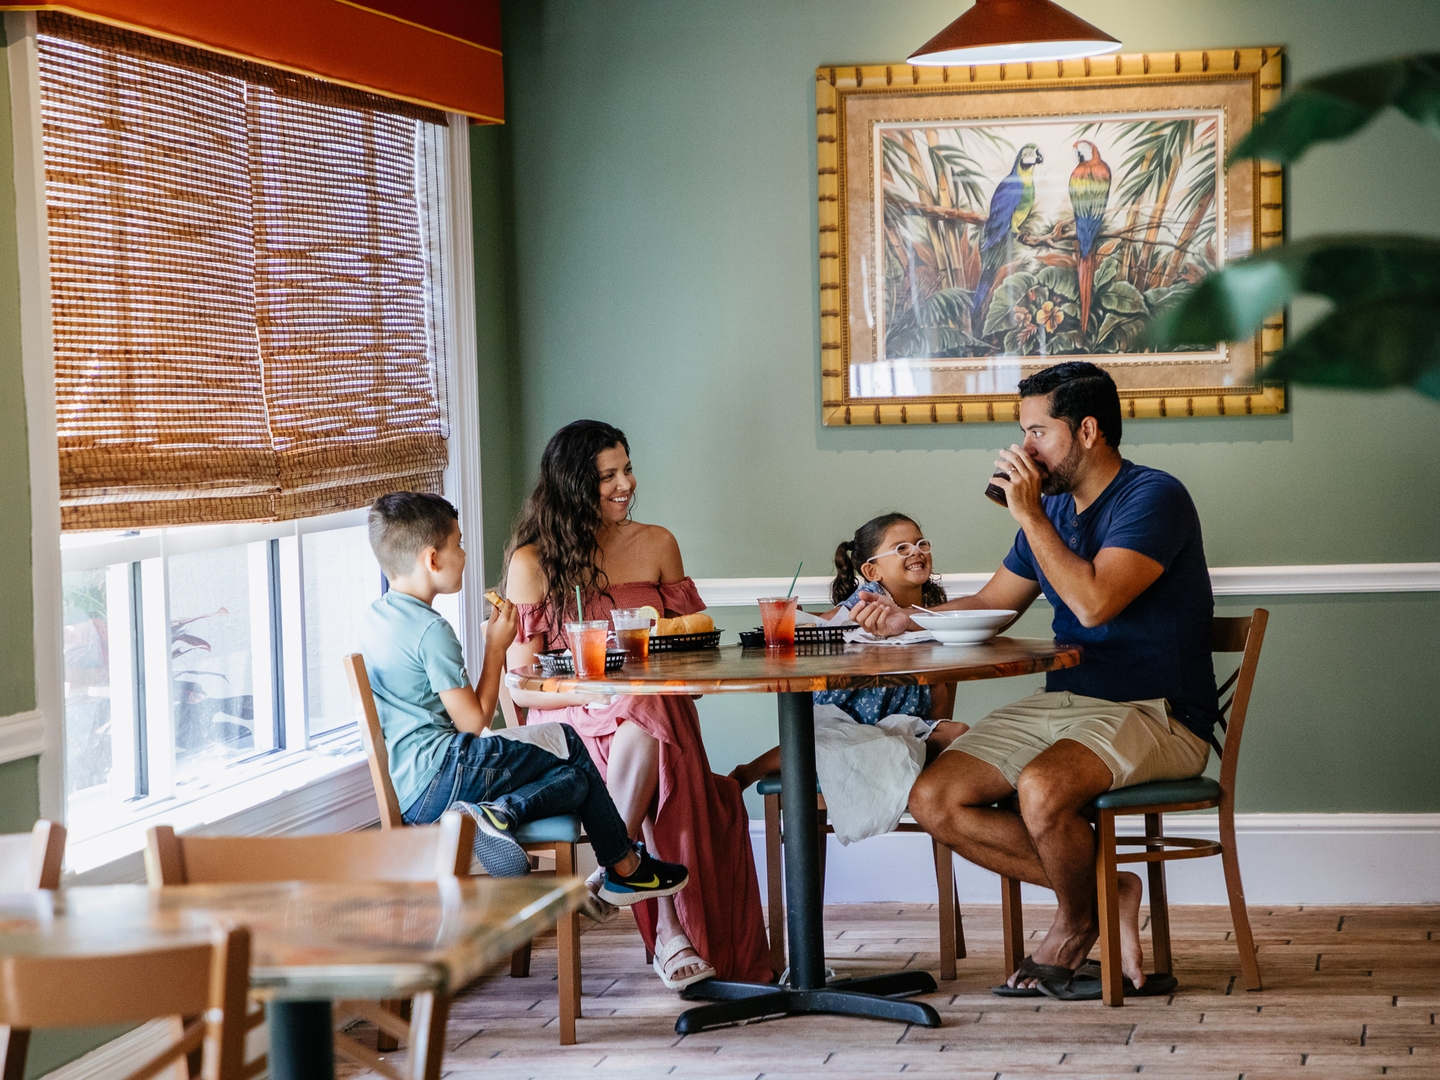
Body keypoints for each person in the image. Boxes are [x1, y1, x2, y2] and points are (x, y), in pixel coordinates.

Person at [853, 362, 1217, 1000]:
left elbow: (1094, 604)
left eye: (1037, 432)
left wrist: (1030, 516)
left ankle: (1074, 927)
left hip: (1159, 711)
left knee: (1042, 787)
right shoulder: (1049, 509)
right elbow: (994, 601)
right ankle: (1109, 889)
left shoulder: (1154, 497)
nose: (1024, 448)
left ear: (1088, 431)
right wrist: (909, 619)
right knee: (934, 797)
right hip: (1070, 703)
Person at [503, 420, 771, 991]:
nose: (625, 484)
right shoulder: (533, 561)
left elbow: (696, 655)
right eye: (608, 476)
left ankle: (616, 872)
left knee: (649, 710)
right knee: (649, 719)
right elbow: (522, 686)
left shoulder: (657, 544)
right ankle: (645, 899)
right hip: (571, 719)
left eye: (627, 469)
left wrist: (662, 674)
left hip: (652, 711)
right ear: (573, 485)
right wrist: (596, 690)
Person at [357, 491, 689, 911]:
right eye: (458, 544)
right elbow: (473, 723)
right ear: (433, 559)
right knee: (568, 741)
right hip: (447, 773)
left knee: (576, 779)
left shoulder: (376, 616)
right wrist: (496, 648)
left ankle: (502, 815)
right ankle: (622, 866)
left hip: (413, 792)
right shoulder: (431, 631)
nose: (465, 554)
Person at [730, 512, 969, 792]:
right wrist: (794, 619)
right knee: (832, 741)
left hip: (905, 719)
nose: (916, 552)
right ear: (872, 571)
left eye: (921, 544)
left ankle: (929, 797)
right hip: (851, 718)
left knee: (958, 734)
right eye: (901, 548)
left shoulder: (928, 608)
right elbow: (829, 619)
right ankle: (749, 772)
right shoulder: (867, 602)